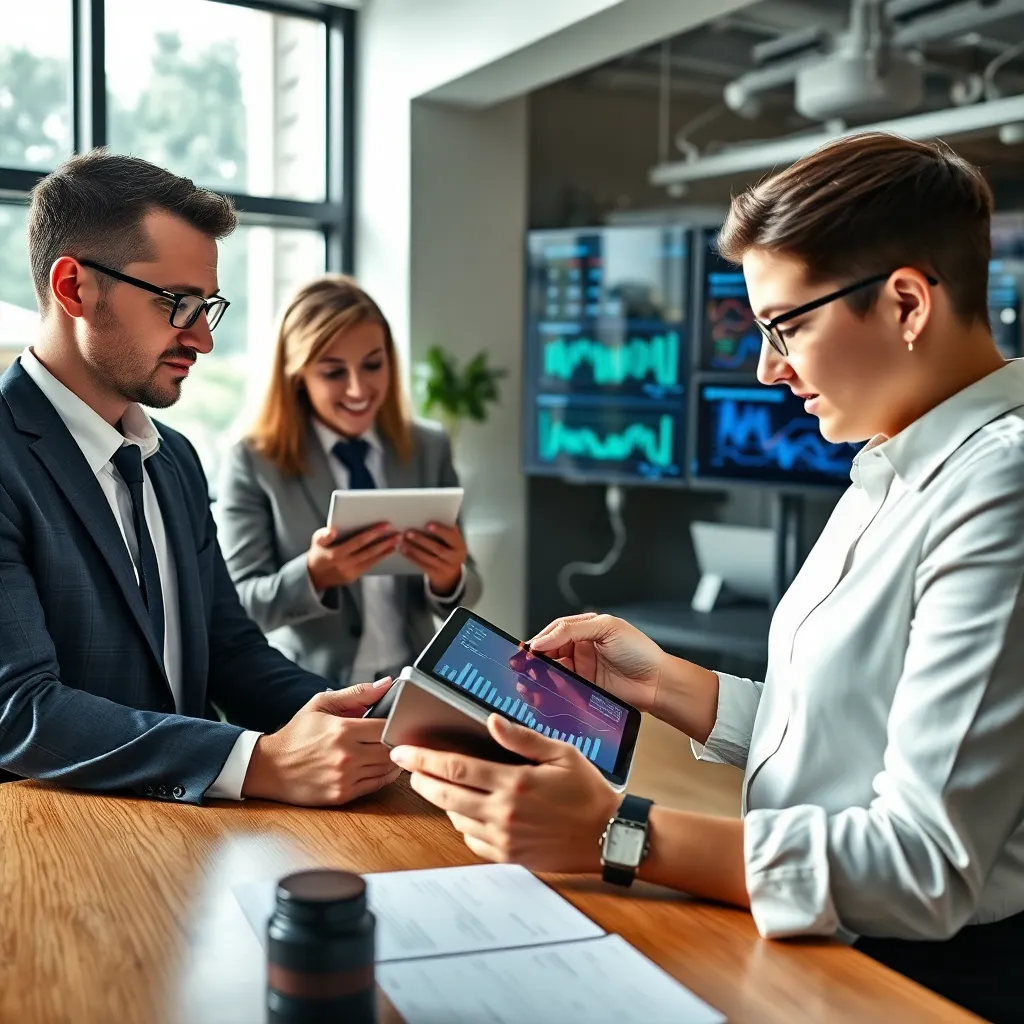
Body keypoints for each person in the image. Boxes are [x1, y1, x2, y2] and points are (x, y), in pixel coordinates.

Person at [388, 132, 1024, 1023]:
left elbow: (926, 865)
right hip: (819, 939)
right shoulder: (892, 458)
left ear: (907, 303)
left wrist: (616, 832)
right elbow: (855, 735)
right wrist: (667, 685)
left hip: (925, 983)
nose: (768, 368)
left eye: (785, 326)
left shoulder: (1000, 487)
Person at [0, 150, 402, 807]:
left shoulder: (175, 459)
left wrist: (375, 720)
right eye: (177, 304)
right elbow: (19, 709)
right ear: (74, 288)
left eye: (205, 307)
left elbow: (230, 652)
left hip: (190, 841)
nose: (202, 340)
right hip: (57, 846)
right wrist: (257, 763)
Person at [214, 274, 482, 687]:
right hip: (310, 688)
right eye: (334, 372)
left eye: (373, 365)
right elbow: (240, 607)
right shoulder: (253, 461)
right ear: (298, 375)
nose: (358, 389)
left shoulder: (428, 447)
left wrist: (448, 577)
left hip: (412, 681)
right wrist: (314, 575)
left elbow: (470, 585)